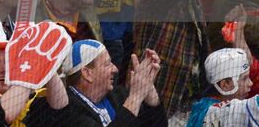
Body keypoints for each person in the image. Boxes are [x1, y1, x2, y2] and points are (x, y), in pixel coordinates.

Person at [22, 40, 165, 126]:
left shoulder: (119, 96)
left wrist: (148, 88)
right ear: (87, 73)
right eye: (107, 64)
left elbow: (159, 125)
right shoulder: (68, 112)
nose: (115, 69)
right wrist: (136, 97)